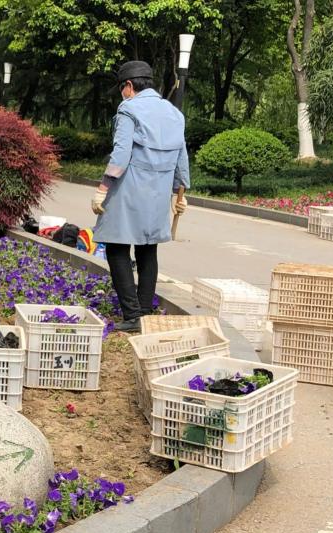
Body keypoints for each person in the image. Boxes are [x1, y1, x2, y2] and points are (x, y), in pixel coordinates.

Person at [92, 61, 189, 333]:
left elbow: (121, 154)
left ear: (129, 86)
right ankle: (145, 313)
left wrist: (102, 188)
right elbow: (182, 155)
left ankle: (132, 315)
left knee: (116, 246)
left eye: (122, 88)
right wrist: (180, 191)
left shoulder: (129, 109)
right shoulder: (174, 113)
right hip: (158, 191)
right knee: (148, 249)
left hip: (130, 186)